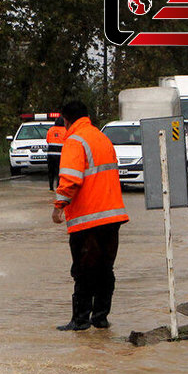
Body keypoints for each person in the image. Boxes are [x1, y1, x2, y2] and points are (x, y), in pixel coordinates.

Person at [52, 101, 129, 331]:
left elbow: (71, 179)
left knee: (83, 270)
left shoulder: (74, 141)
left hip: (88, 219)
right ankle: (100, 318)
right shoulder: (102, 138)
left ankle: (80, 321)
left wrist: (59, 206)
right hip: (112, 217)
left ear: (66, 121)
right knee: (105, 269)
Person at [45, 116, 66, 191]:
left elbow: (47, 140)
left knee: (51, 171)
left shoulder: (50, 130)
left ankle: (51, 187)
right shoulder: (65, 130)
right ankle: (58, 186)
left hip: (50, 154)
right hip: (60, 155)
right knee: (59, 172)